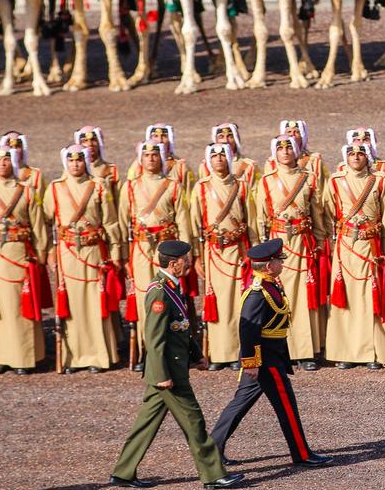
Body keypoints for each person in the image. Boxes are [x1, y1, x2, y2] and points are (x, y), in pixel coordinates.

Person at [110, 240, 244, 490]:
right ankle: (214, 474)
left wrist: (196, 356)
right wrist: (162, 375)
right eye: (186, 259)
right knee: (194, 421)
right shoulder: (159, 291)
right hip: (168, 372)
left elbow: (179, 327)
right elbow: (154, 337)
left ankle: (123, 471)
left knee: (145, 424)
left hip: (173, 367)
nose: (189, 263)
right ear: (173, 263)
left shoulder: (171, 286)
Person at [210, 239, 333, 468]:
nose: (282, 263)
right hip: (265, 360)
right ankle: (301, 453)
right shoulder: (257, 293)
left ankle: (212, 448)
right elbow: (248, 330)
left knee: (241, 403)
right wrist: (252, 363)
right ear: (268, 266)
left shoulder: (270, 285)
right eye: (278, 260)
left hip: (269, 356)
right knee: (286, 405)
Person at [44, 145, 124, 373]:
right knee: (73, 305)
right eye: (71, 160)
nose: (76, 164)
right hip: (68, 253)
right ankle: (74, 358)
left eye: (80, 159)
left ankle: (100, 355)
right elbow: (46, 220)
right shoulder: (55, 188)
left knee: (94, 303)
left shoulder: (98, 186)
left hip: (93, 252)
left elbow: (110, 222)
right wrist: (49, 251)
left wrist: (116, 252)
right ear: (65, 162)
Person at [0, 146, 50, 376]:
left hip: (20, 253)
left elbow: (38, 225)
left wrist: (41, 255)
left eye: (7, 159)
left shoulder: (26, 191)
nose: (3, 163)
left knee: (19, 306)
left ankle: (24, 357)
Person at [257, 134, 330, 371]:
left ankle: (306, 351)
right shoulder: (267, 181)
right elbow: (261, 218)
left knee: (302, 298)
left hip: (303, 243)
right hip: (277, 245)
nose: (286, 151)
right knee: (276, 298)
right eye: (280, 147)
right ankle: (280, 350)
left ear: (298, 150)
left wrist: (320, 241)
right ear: (274, 153)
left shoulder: (309, 179)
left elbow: (317, 212)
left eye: (290, 147)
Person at [119, 140, 191, 372]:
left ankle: (174, 348)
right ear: (140, 158)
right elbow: (121, 223)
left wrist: (187, 254)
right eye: (147, 154)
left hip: (167, 249)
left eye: (155, 154)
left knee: (170, 297)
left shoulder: (173, 185)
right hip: (141, 249)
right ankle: (147, 350)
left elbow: (183, 221)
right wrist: (120, 254)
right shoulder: (130, 186)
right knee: (145, 301)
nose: (151, 158)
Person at [323, 144, 385, 369]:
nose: (356, 157)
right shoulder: (335, 181)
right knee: (344, 299)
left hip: (371, 247)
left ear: (368, 156)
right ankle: (345, 352)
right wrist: (332, 239)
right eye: (351, 154)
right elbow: (326, 213)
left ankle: (373, 353)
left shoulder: (380, 180)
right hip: (345, 248)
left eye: (361, 153)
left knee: (370, 299)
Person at [190, 143, 257, 371]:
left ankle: (240, 352)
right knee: (216, 303)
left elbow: (253, 221)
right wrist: (196, 256)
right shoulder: (201, 187)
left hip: (238, 252)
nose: (219, 159)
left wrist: (253, 252)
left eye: (222, 155)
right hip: (213, 253)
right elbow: (194, 225)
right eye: (214, 155)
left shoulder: (241, 186)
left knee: (239, 302)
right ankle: (218, 353)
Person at [127, 124, 195, 198]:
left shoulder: (181, 167)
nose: (160, 140)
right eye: (155, 136)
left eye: (164, 136)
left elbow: (190, 196)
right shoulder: (137, 166)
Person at [201, 123, 261, 188]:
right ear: (215, 140)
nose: (226, 140)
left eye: (230, 137)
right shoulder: (205, 166)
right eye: (221, 137)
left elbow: (255, 193)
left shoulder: (249, 165)